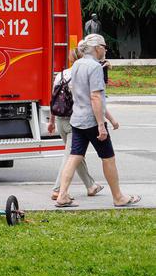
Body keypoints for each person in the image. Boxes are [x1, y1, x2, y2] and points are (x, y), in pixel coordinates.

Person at [55, 33, 140, 208]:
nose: (106, 50)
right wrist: (101, 125)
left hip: (76, 119)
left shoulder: (77, 64)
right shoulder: (95, 67)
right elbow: (95, 97)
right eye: (104, 47)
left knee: (74, 156)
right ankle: (118, 197)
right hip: (92, 120)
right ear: (97, 48)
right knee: (108, 158)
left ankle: (62, 195)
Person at [48, 48, 103, 201]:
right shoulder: (80, 75)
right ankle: (58, 190)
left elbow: (54, 98)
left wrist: (51, 121)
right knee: (72, 156)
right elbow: (91, 98)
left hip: (59, 120)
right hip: (75, 122)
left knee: (76, 154)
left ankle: (91, 186)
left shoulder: (61, 74)